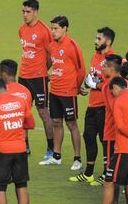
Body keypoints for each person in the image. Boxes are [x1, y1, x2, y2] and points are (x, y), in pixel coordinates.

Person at [69, 27, 116, 185]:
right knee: (88, 136)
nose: (95, 41)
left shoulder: (112, 60)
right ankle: (89, 173)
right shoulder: (96, 56)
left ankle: (105, 173)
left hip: (104, 106)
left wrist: (95, 86)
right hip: (92, 105)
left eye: (99, 39)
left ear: (108, 41)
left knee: (105, 140)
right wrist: (86, 85)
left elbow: (112, 83)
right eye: (96, 38)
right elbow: (94, 76)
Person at [39, 16, 86, 171]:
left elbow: (81, 70)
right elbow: (56, 63)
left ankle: (77, 159)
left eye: (56, 28)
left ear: (65, 28)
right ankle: (56, 156)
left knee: (72, 124)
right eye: (52, 28)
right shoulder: (52, 45)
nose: (53, 31)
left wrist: (77, 87)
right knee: (57, 122)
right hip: (55, 91)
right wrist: (52, 74)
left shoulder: (72, 46)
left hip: (68, 92)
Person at [0, 78, 35, 204]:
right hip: (20, 149)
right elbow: (31, 124)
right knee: (21, 186)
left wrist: (0, 124)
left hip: (1, 151)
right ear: (6, 87)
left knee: (0, 188)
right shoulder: (21, 101)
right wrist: (15, 123)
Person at [18, 0, 53, 157]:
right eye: (23, 11)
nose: (25, 15)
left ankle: (51, 148)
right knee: (22, 112)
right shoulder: (21, 29)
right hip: (23, 76)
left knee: (43, 112)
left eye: (28, 12)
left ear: (36, 12)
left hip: (38, 78)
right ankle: (25, 146)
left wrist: (43, 70)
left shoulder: (44, 31)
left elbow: (51, 55)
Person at [102, 77, 128, 204]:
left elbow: (121, 126)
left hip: (124, 149)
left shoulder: (119, 100)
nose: (112, 94)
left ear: (116, 87)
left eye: (112, 91)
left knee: (108, 182)